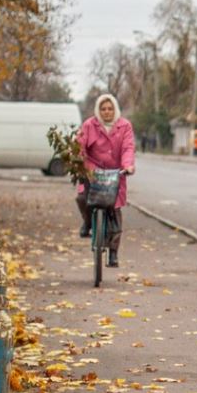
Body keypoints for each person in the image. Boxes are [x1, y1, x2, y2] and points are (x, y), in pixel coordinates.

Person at [75, 94, 136, 268]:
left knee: (114, 211)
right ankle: (87, 223)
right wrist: (80, 163)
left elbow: (128, 148)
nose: (107, 112)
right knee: (82, 198)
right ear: (98, 110)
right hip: (92, 171)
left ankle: (113, 253)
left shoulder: (124, 126)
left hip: (115, 173)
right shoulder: (89, 125)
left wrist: (128, 166)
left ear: (115, 109)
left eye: (110, 108)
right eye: (103, 109)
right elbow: (80, 146)